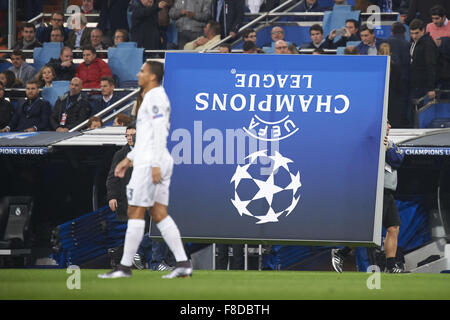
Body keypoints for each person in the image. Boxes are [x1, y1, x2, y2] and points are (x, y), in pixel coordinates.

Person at [98, 61, 192, 279]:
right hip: (147, 159)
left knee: (137, 213)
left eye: (142, 71)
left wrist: (156, 164)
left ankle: (125, 266)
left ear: (152, 76)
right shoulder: (150, 97)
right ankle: (182, 262)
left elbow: (159, 132)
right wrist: (127, 159)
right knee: (158, 215)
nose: (138, 74)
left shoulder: (156, 97)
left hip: (152, 162)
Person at [331, 121, 409, 274]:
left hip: (388, 192)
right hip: (374, 190)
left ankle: (391, 265)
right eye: (387, 123)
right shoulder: (368, 143)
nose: (390, 126)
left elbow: (398, 160)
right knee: (367, 230)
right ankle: (341, 252)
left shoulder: (392, 144)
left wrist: (387, 149)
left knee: (393, 228)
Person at [409, 19, 439, 125]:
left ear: (423, 31)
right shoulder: (415, 43)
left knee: (423, 113)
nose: (414, 36)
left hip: (424, 86)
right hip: (417, 84)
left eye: (416, 33)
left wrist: (431, 88)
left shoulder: (427, 44)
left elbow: (431, 66)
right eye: (412, 33)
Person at [106, 125, 136, 221]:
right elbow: (112, 178)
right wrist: (112, 197)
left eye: (132, 135)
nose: (129, 138)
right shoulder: (120, 155)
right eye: (127, 135)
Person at [386, 22, 410, 128]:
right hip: (404, 81)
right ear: (405, 33)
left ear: (392, 32)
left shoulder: (386, 42)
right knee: (402, 107)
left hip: (390, 80)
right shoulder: (407, 43)